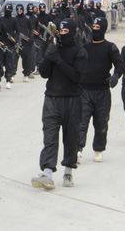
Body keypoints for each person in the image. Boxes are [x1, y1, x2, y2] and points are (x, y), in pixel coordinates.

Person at [31, 18, 88, 190]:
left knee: (71, 137)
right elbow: (44, 73)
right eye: (60, 32)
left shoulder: (80, 51)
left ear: (72, 32)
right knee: (49, 137)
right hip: (52, 99)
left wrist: (59, 61)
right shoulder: (53, 48)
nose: (62, 35)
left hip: (72, 99)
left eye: (65, 32)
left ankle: (69, 170)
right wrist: (49, 56)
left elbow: (77, 77)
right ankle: (47, 173)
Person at [78, 17, 123, 163]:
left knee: (101, 122)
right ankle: (78, 149)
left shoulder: (110, 47)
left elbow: (119, 64)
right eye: (94, 27)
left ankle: (98, 149)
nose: (95, 29)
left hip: (102, 91)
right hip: (84, 91)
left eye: (98, 27)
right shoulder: (85, 47)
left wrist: (116, 76)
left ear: (103, 29)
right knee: (81, 122)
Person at [0, 3, 19, 89]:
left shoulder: (14, 20)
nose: (8, 12)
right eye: (7, 10)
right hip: (1, 45)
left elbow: (18, 31)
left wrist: (15, 39)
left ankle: (8, 80)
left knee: (9, 64)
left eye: (9, 10)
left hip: (10, 45)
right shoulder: (0, 19)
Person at [16, 4, 35, 82]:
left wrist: (30, 38)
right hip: (17, 42)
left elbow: (31, 29)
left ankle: (26, 74)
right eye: (18, 10)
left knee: (26, 59)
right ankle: (11, 74)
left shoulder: (27, 19)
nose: (19, 11)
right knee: (14, 58)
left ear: (23, 10)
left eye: (21, 10)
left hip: (26, 41)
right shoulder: (15, 19)